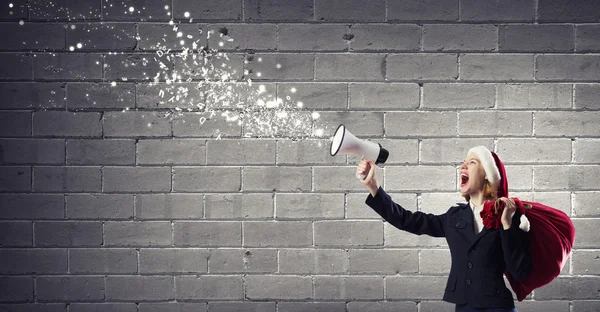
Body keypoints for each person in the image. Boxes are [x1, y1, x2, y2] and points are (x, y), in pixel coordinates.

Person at [356, 146, 532, 312]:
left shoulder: (508, 215)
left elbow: (519, 272)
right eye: (464, 161)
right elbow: (407, 220)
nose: (463, 165)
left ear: (488, 175)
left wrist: (507, 224)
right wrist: (373, 186)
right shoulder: (453, 217)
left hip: (498, 307)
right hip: (464, 306)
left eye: (472, 162)